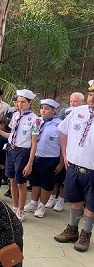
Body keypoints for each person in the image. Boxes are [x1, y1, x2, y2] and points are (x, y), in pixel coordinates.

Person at [54, 80, 94, 252]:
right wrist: (65, 154)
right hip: (74, 168)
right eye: (91, 94)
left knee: (91, 206)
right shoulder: (78, 111)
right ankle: (72, 230)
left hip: (92, 172)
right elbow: (63, 131)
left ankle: (85, 234)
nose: (92, 98)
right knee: (75, 200)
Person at [0, 89, 39, 222]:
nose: (19, 104)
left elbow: (34, 143)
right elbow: (11, 136)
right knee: (12, 181)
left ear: (30, 102)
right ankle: (14, 208)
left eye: (23, 102)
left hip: (23, 153)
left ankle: (21, 210)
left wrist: (30, 163)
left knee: (21, 183)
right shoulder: (15, 116)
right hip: (11, 150)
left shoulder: (35, 119)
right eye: (18, 101)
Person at [46, 92, 85, 212]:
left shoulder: (85, 115)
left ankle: (61, 200)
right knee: (56, 176)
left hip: (74, 154)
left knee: (64, 179)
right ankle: (52, 197)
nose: (72, 103)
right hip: (61, 151)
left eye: (75, 101)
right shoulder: (65, 112)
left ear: (82, 103)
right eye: (71, 101)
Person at [23, 99, 61, 218]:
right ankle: (33, 202)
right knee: (35, 182)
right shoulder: (37, 121)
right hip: (35, 157)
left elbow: (64, 145)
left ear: (54, 110)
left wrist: (61, 163)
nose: (43, 111)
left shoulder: (59, 124)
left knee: (46, 184)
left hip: (50, 159)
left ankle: (42, 206)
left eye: (47, 108)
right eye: (42, 108)